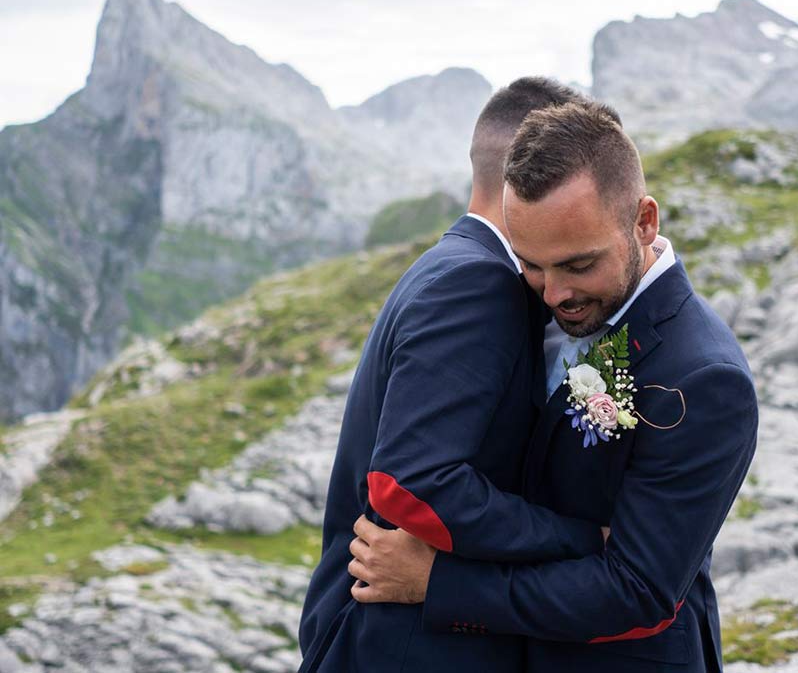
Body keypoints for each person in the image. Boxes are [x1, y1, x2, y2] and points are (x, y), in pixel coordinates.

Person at [349, 102, 759, 673]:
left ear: (644, 222)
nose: (554, 293)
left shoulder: (704, 377)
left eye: (578, 264)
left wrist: (440, 584)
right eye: (533, 265)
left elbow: (638, 592)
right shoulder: (534, 309)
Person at [297, 79, 621, 673]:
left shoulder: (452, 265)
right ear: (529, 174)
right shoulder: (477, 284)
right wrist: (581, 541)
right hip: (402, 646)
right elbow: (415, 481)